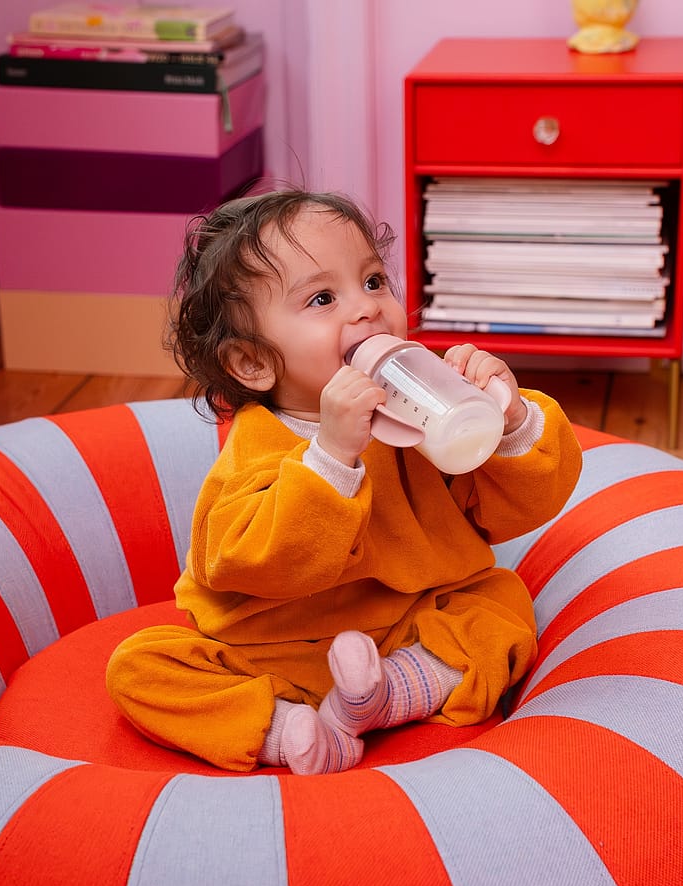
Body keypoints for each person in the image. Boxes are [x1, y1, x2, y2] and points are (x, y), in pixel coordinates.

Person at [106, 189, 583, 775]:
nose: (365, 309)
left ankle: (390, 692)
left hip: (407, 627)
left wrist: (508, 421)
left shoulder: (421, 411)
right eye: (323, 298)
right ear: (254, 363)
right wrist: (332, 456)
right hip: (270, 649)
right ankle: (286, 729)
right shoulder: (255, 445)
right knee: (140, 667)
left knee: (501, 607)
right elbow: (246, 561)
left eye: (374, 281)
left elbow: (512, 509)